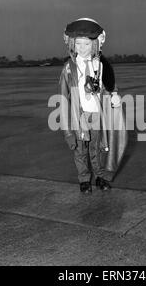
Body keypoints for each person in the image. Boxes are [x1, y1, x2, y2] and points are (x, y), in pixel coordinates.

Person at [59, 18, 128, 194]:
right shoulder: (68, 69)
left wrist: (114, 96)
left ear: (95, 44)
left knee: (97, 149)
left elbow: (107, 87)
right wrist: (67, 131)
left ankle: (100, 176)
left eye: (87, 44)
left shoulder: (100, 65)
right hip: (79, 116)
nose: (82, 48)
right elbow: (63, 99)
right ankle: (83, 179)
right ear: (72, 44)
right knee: (80, 150)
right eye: (78, 44)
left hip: (97, 114)